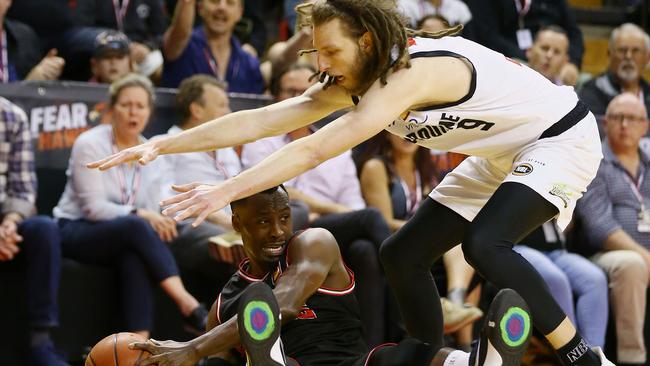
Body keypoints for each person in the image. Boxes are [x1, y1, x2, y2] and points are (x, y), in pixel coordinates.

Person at [89, 1, 613, 364]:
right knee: (400, 253)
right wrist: (163, 143)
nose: (321, 64)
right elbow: (266, 118)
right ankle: (428, 356)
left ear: (366, 40)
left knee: (484, 245)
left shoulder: (413, 73)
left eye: (330, 51)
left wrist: (224, 191)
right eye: (314, 52)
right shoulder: (356, 74)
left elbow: (314, 147)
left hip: (559, 138)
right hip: (496, 151)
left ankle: (580, 355)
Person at [131, 185, 533, 366]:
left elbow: (284, 304)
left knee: (407, 355)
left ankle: (480, 363)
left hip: (355, 363)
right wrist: (192, 355)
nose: (276, 231)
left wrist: (192, 347)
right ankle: (269, 361)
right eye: (263, 221)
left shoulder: (313, 243)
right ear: (237, 222)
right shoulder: (223, 306)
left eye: (284, 218)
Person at [53, 74, 207, 337]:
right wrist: (142, 214)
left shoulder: (151, 151)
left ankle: (137, 345)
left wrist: (160, 218)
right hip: (75, 229)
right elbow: (92, 207)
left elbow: (154, 205)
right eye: (126, 105)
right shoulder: (90, 143)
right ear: (111, 109)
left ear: (149, 112)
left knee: (134, 254)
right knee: (135, 226)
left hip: (124, 237)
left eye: (140, 106)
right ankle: (188, 304)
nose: (133, 112)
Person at [575, 92, 650, 365]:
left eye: (632, 119)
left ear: (646, 125)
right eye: (617, 118)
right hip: (604, 255)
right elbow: (600, 227)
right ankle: (633, 359)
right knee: (632, 265)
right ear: (605, 123)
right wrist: (646, 257)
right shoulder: (595, 162)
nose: (624, 125)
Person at [0, 97, 69, 366]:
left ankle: (40, 341)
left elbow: (23, 189)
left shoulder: (11, 115)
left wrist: (10, 222)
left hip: (5, 217)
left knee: (44, 228)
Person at [579, 23, 650, 119]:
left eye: (636, 51)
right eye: (622, 50)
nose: (628, 56)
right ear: (609, 54)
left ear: (647, 57)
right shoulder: (593, 90)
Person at [0, 0, 65, 82]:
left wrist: (44, 74)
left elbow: (37, 87)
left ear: (9, 1)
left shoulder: (25, 37)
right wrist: (28, 84)